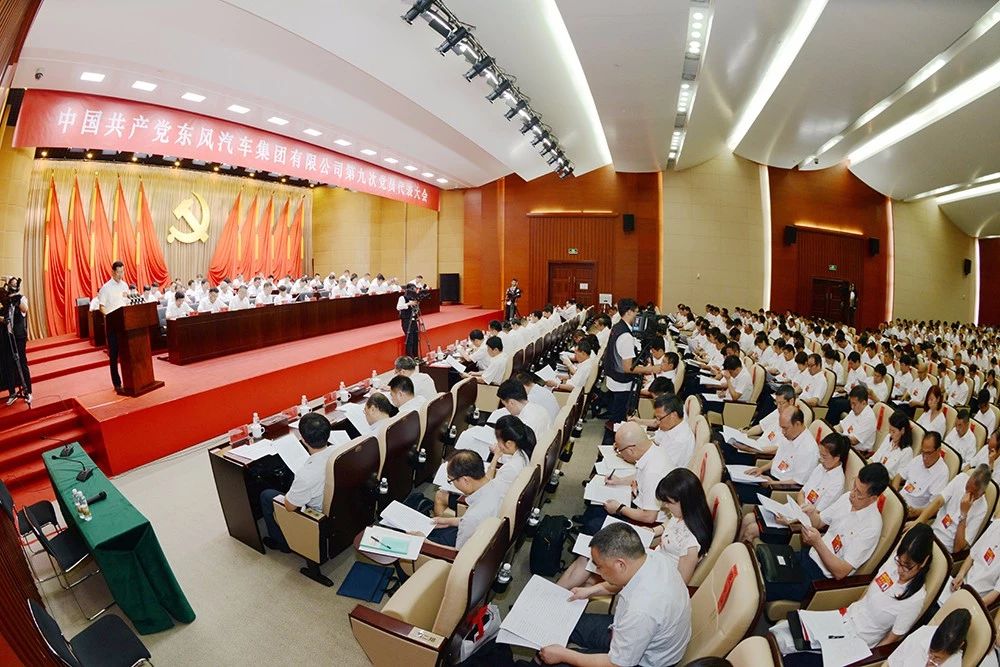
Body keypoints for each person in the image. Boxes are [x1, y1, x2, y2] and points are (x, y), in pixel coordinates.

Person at [538, 522, 691, 667]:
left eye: (599, 566)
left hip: (644, 661)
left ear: (620, 565)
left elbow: (616, 664)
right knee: (565, 624)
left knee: (558, 661)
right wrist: (591, 590)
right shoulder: (651, 558)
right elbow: (620, 581)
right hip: (634, 634)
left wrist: (564, 655)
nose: (597, 571)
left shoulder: (642, 609)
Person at [775, 524, 934, 661]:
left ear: (924, 562)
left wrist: (864, 661)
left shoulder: (914, 600)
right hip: (844, 619)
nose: (900, 569)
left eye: (908, 567)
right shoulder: (893, 563)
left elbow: (890, 640)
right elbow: (867, 595)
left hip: (857, 643)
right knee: (781, 634)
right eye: (899, 562)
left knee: (790, 657)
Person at [762, 462, 888, 603]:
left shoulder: (871, 527)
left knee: (764, 584)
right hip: (807, 556)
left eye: (859, 493)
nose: (852, 494)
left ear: (873, 498)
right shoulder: (846, 499)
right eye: (854, 486)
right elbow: (819, 522)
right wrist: (811, 513)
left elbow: (840, 572)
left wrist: (817, 543)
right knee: (762, 560)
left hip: (818, 578)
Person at [739, 432, 848, 544]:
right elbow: (801, 493)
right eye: (820, 455)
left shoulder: (837, 483)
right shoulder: (820, 468)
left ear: (836, 458)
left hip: (801, 524)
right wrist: (799, 509)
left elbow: (817, 516)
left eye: (824, 457)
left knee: (751, 530)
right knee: (748, 518)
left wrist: (792, 520)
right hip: (794, 511)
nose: (820, 459)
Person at [577, 421, 672, 535]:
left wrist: (619, 508)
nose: (620, 454)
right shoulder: (653, 451)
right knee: (597, 506)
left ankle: (585, 535)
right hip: (640, 504)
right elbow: (640, 476)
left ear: (631, 450)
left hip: (648, 523)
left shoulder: (653, 472)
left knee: (594, 525)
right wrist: (620, 481)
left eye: (620, 450)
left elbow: (649, 517)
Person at [258, 412, 334, 553]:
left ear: (303, 440)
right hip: (337, 504)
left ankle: (282, 542)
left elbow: (290, 507)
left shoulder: (306, 475)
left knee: (267, 495)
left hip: (318, 515)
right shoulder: (338, 450)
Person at [734, 406, 817, 505]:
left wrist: (773, 483)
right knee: (734, 482)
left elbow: (798, 482)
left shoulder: (809, 449)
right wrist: (761, 469)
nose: (783, 432)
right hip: (770, 477)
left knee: (737, 492)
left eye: (785, 428)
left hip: (780, 488)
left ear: (797, 424)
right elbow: (777, 459)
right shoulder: (790, 435)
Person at [422, 450, 504, 549]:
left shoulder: (472, 517)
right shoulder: (498, 486)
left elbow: (457, 553)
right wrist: (447, 521)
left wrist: (424, 542)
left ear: (465, 480)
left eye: (451, 480)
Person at [915, 464, 990, 553]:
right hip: (931, 533)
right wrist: (918, 521)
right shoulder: (961, 479)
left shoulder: (982, 508)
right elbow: (939, 501)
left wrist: (963, 514)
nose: (967, 494)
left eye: (972, 494)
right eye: (967, 487)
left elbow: (957, 548)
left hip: (945, 549)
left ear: (982, 494)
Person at [601, 298, 644, 444]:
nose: (637, 316)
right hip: (622, 383)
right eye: (636, 312)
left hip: (613, 378)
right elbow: (627, 367)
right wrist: (652, 369)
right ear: (629, 312)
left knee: (615, 416)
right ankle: (609, 445)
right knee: (618, 420)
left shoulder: (617, 327)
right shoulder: (625, 335)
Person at [893, 431, 950, 519]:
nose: (924, 457)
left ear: (938, 450)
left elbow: (934, 508)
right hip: (899, 501)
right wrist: (895, 493)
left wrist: (916, 512)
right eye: (923, 452)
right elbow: (899, 476)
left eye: (928, 453)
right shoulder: (919, 459)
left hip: (912, 513)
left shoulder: (942, 473)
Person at [886, 608, 969, 667]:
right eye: (930, 652)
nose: (930, 661)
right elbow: (892, 662)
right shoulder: (922, 633)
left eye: (937, 659)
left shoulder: (954, 664)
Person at [97, 260, 130, 391]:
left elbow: (127, 302)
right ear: (113, 272)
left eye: (122, 272)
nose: (121, 275)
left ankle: (130, 380)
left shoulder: (125, 285)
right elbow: (101, 307)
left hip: (125, 323)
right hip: (113, 325)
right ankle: (117, 383)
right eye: (119, 272)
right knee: (114, 355)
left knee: (127, 353)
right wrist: (108, 316)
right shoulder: (106, 288)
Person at [1, 277, 31, 405]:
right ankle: (12, 393)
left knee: (22, 362)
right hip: (8, 336)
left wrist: (15, 297)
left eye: (14, 283)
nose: (12, 284)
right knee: (9, 364)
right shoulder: (7, 301)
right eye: (10, 283)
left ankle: (28, 392)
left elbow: (25, 309)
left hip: (19, 337)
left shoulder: (21, 298)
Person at [649, 394, 696, 469]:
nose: (657, 422)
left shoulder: (680, 441)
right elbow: (656, 439)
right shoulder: (671, 427)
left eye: (659, 418)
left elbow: (662, 468)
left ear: (673, 415)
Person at [871, 409, 915, 477]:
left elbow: (898, 477)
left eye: (893, 431)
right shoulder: (888, 438)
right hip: (874, 472)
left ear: (902, 430)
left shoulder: (907, 452)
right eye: (890, 430)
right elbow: (875, 457)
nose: (891, 434)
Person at [835, 385, 878, 454]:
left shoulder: (869, 418)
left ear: (864, 403)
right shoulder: (854, 411)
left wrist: (837, 436)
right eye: (851, 403)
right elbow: (840, 426)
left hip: (857, 453)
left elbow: (854, 441)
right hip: (845, 444)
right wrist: (833, 430)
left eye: (854, 404)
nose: (852, 407)